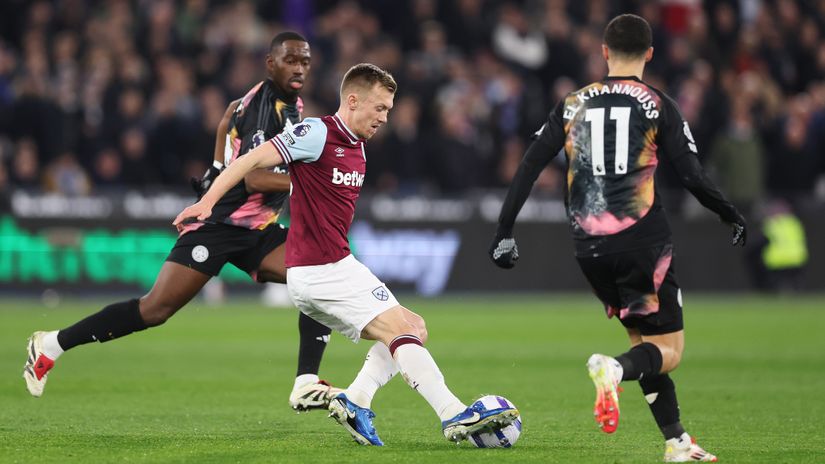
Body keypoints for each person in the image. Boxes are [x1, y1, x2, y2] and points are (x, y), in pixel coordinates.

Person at [174, 63, 518, 446]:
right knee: (401, 332)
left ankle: (356, 401)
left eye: (388, 110)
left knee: (415, 327)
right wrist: (207, 202)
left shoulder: (359, 148)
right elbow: (251, 160)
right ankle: (453, 414)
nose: (384, 118)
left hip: (334, 266)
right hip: (319, 270)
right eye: (379, 108)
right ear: (353, 101)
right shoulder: (317, 132)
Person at [24, 32, 340, 412]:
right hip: (221, 224)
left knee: (318, 272)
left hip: (258, 229)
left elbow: (226, 119)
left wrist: (217, 168)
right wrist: (308, 184)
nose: (300, 68)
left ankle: (306, 381)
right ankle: (50, 345)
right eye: (291, 60)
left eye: (305, 61)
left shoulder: (285, 104)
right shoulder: (263, 105)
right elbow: (255, 177)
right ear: (270, 63)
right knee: (154, 309)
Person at [489, 14, 746, 462]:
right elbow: (691, 175)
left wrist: (504, 231)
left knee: (643, 344)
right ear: (649, 53)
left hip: (589, 246)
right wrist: (730, 214)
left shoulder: (572, 103)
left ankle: (677, 442)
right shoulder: (657, 103)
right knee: (668, 351)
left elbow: (529, 165)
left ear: (604, 52)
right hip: (643, 240)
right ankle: (611, 370)